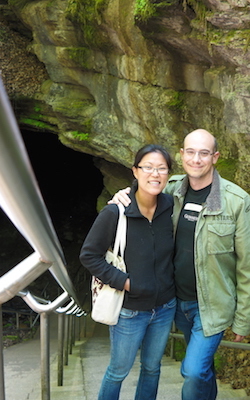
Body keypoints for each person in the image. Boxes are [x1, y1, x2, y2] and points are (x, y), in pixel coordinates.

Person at [112, 129, 250, 400]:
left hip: (212, 306)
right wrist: (123, 194)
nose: (196, 159)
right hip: (176, 303)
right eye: (190, 152)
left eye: (204, 153)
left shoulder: (237, 202)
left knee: (192, 370)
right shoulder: (171, 189)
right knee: (202, 367)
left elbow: (249, 266)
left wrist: (243, 319)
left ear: (215, 157)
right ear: (181, 155)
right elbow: (145, 184)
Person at [80, 144, 177, 400]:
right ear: (135, 171)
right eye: (148, 168)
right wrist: (125, 282)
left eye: (162, 169)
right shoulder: (116, 211)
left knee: (152, 368)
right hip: (130, 311)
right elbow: (89, 255)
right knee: (118, 371)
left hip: (165, 307)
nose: (155, 174)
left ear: (168, 175)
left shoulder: (170, 206)